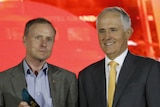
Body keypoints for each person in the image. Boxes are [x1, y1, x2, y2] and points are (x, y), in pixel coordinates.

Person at [78, 6, 160, 107]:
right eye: (102, 31)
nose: (107, 37)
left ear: (128, 33)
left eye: (113, 30)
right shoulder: (86, 76)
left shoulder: (150, 69)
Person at [0, 17, 78, 107]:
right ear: (24, 40)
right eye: (38, 38)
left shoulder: (68, 79)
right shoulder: (3, 80)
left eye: (49, 39)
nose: (44, 44)